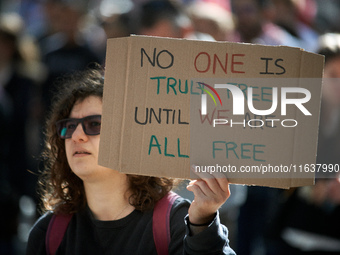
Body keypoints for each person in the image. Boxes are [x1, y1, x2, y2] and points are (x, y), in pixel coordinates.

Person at [26, 66, 235, 254]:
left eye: (95, 124)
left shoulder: (177, 221)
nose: (76, 135)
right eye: (69, 126)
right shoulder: (49, 231)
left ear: (131, 137)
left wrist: (202, 225)